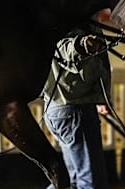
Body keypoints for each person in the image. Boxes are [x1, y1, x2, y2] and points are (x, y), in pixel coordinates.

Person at [42, 20, 112, 189]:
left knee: (71, 182)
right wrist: (81, 45)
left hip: (61, 107)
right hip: (75, 108)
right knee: (91, 183)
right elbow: (66, 47)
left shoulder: (58, 11)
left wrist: (100, 98)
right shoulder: (75, 15)